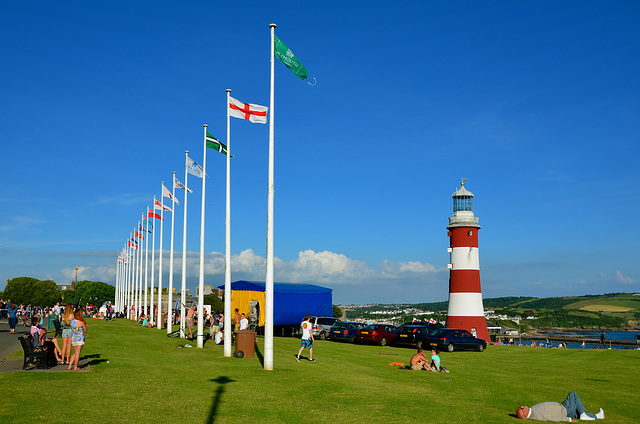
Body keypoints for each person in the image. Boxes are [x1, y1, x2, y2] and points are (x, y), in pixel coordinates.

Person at [516, 391, 604, 421]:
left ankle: (598, 416)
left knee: (578, 414)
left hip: (564, 410)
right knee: (572, 394)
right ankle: (583, 413)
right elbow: (550, 418)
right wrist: (568, 419)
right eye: (521, 408)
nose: (522, 406)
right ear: (524, 412)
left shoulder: (533, 412)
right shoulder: (536, 414)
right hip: (564, 409)